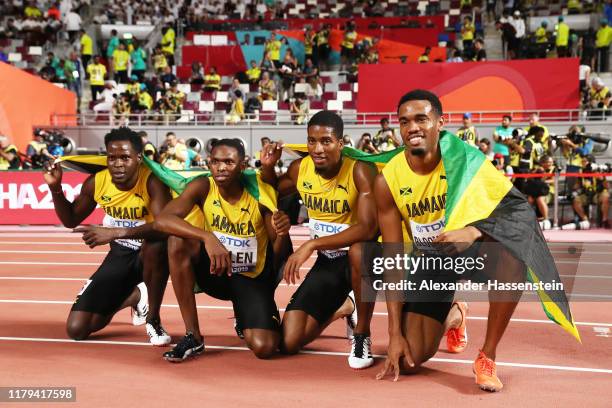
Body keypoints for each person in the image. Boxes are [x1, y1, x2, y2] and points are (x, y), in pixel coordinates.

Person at [374, 89, 538, 391]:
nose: (413, 128)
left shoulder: (466, 160)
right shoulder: (388, 180)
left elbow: (517, 213)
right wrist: (394, 332)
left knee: (514, 253)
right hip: (430, 259)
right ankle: (454, 313)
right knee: (409, 360)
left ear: (440, 123)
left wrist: (475, 231)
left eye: (422, 119)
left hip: (470, 250)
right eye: (405, 121)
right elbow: (392, 258)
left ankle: (487, 355)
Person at [154, 139, 292, 361]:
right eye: (216, 161)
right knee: (176, 242)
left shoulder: (258, 194)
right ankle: (193, 336)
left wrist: (283, 232)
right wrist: (206, 237)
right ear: (209, 163)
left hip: (252, 278)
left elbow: (279, 251)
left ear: (242, 165)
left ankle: (249, 311)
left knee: (265, 347)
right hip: (217, 272)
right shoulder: (203, 187)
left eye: (229, 162)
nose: (221, 167)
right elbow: (163, 220)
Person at [260, 111, 379, 369]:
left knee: (360, 250)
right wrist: (268, 167)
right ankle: (346, 306)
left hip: (366, 260)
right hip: (330, 261)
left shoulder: (360, 171)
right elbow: (274, 190)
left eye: (326, 141)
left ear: (340, 143)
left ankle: (362, 334)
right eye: (312, 141)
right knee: (289, 341)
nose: (318, 148)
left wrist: (312, 244)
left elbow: (369, 228)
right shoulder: (300, 169)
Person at [42, 127, 172, 345]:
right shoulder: (97, 182)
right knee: (77, 329)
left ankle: (153, 320)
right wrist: (55, 189)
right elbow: (71, 220)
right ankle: (136, 296)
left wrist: (114, 232)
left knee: (155, 246)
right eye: (112, 158)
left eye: (125, 158)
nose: (118, 164)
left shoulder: (152, 182)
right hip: (121, 253)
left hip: (151, 253)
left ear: (138, 158)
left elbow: (164, 226)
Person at [570, 154, 610, 229]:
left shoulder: (598, 170)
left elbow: (607, 186)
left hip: (597, 194)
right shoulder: (581, 171)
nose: (583, 163)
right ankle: (585, 220)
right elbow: (577, 185)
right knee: (576, 200)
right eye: (582, 161)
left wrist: (601, 178)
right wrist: (574, 187)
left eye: (584, 161)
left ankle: (605, 220)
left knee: (606, 196)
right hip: (586, 194)